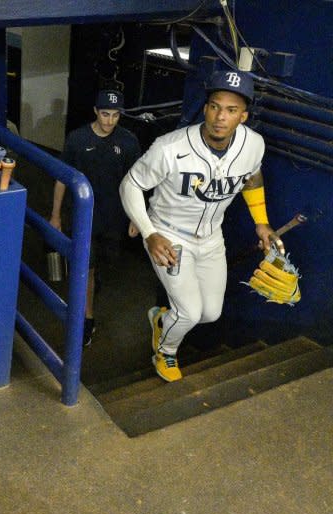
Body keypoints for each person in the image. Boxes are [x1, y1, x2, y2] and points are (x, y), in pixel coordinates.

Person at [119, 69, 284, 382]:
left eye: (231, 110)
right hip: (168, 233)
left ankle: (162, 320)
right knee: (190, 312)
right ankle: (165, 351)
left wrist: (261, 223)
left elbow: (252, 176)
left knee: (211, 313)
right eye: (215, 106)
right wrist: (149, 232)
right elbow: (130, 184)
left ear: (244, 116)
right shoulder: (169, 147)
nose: (221, 116)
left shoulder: (253, 145)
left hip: (211, 236)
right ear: (205, 108)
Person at [49, 89, 141, 346]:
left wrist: (136, 217)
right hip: (83, 217)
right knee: (86, 268)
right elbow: (61, 179)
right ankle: (86, 320)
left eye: (114, 115)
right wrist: (55, 215)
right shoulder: (77, 140)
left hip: (113, 217)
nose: (109, 121)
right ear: (95, 112)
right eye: (104, 114)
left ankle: (91, 282)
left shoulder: (129, 142)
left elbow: (136, 182)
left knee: (102, 264)